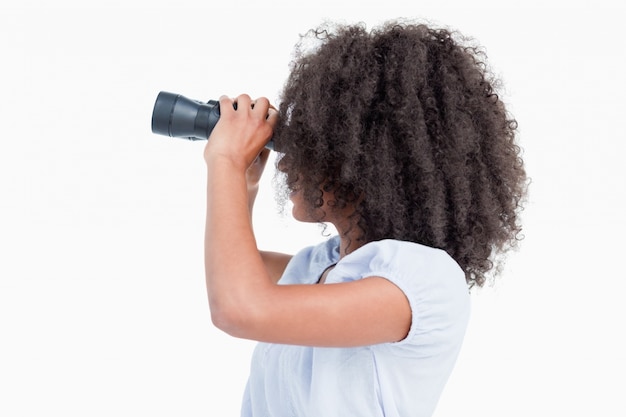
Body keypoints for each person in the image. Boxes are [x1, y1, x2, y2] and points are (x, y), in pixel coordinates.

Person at [202, 19, 527, 417]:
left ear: (363, 163)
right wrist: (244, 184)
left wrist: (226, 161)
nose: (287, 167)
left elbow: (240, 307)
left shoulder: (423, 281)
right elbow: (230, 269)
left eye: (308, 147)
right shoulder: (318, 266)